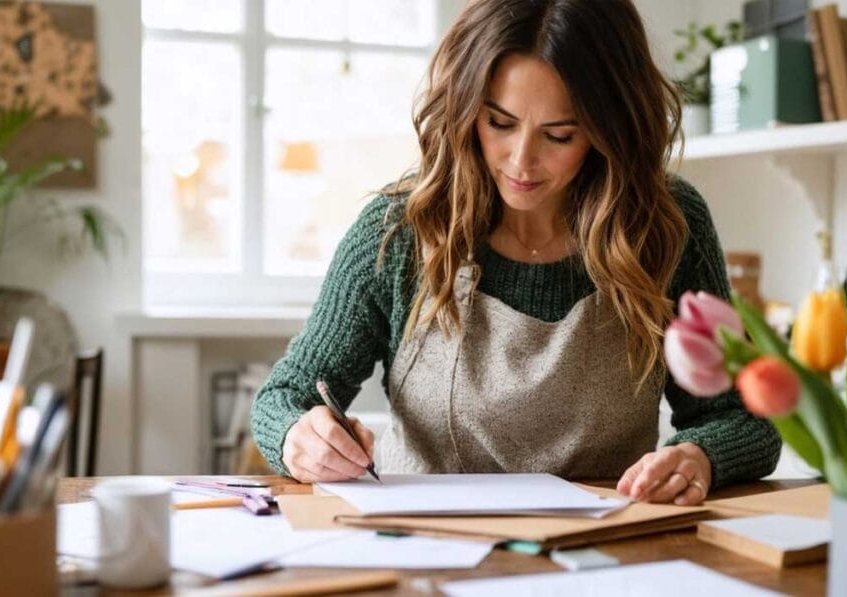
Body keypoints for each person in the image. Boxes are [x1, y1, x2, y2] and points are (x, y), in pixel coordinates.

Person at [251, 0, 781, 506]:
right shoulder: (400, 231)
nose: (521, 161)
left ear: (608, 130)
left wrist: (700, 456)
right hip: (426, 550)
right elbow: (284, 397)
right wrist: (300, 436)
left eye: (559, 134)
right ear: (464, 107)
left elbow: (748, 419)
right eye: (499, 123)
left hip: (610, 554)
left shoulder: (664, 225)